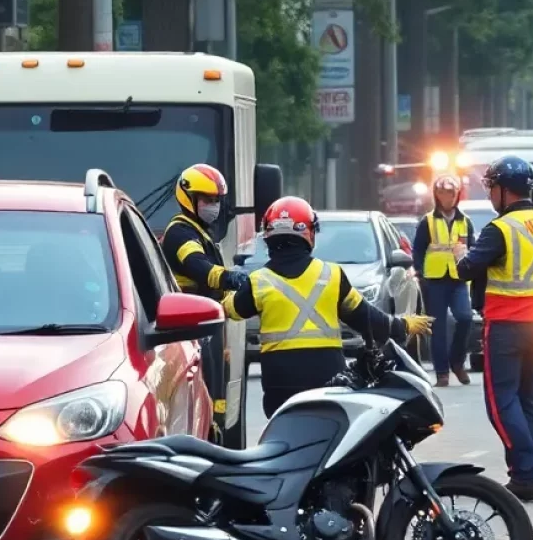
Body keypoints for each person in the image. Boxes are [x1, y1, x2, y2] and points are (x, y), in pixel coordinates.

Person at [222, 196, 433, 417]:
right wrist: (403, 325)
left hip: (279, 387)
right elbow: (366, 318)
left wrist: (221, 293)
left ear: (267, 235)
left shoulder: (258, 281)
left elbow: (230, 310)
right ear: (310, 234)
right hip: (328, 381)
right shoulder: (332, 275)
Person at [455, 156, 533, 502]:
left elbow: (468, 269)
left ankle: (529, 471)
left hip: (507, 324)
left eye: (491, 189)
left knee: (500, 402)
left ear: (503, 190)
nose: (489, 197)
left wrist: (459, 253)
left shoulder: (500, 229)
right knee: (525, 398)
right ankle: (525, 472)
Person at [160, 163, 249, 438]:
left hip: (208, 329)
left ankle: (216, 441)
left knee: (217, 398)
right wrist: (229, 278)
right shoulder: (180, 233)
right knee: (204, 397)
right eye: (207, 200)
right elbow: (197, 266)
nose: (213, 206)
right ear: (189, 198)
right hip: (191, 330)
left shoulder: (201, 232)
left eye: (216, 201)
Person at [412, 174, 476, 387]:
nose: (446, 197)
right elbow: (418, 250)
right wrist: (421, 274)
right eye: (441, 193)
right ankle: (442, 373)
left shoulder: (465, 222)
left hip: (458, 279)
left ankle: (457, 361)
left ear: (457, 195)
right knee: (438, 327)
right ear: (436, 195)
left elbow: (472, 250)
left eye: (450, 193)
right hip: (435, 280)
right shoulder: (427, 222)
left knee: (465, 318)